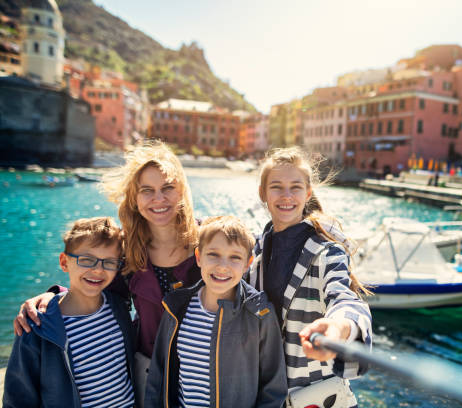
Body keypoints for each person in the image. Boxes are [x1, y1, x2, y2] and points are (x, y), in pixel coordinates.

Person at [13, 141, 201, 407]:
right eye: (147, 190)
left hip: (203, 373)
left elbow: (244, 272)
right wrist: (51, 298)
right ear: (134, 199)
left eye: (167, 188)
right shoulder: (128, 252)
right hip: (148, 375)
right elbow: (94, 289)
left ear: (182, 191)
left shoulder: (206, 243)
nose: (159, 199)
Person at [247, 147, 372, 407]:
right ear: (263, 193)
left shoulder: (327, 251)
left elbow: (346, 300)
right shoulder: (255, 253)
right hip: (269, 398)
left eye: (295, 187)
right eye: (276, 187)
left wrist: (338, 328)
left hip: (315, 399)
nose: (286, 196)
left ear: (308, 193)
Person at [145, 215, 287, 407]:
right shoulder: (177, 307)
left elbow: (273, 388)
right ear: (198, 257)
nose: (222, 266)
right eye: (213, 254)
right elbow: (158, 374)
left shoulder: (259, 315)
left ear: (248, 263)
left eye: (235, 257)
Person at [3, 217, 135, 408]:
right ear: (64, 262)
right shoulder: (37, 326)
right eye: (87, 260)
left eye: (109, 262)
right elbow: (18, 399)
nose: (98, 270)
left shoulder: (117, 306)